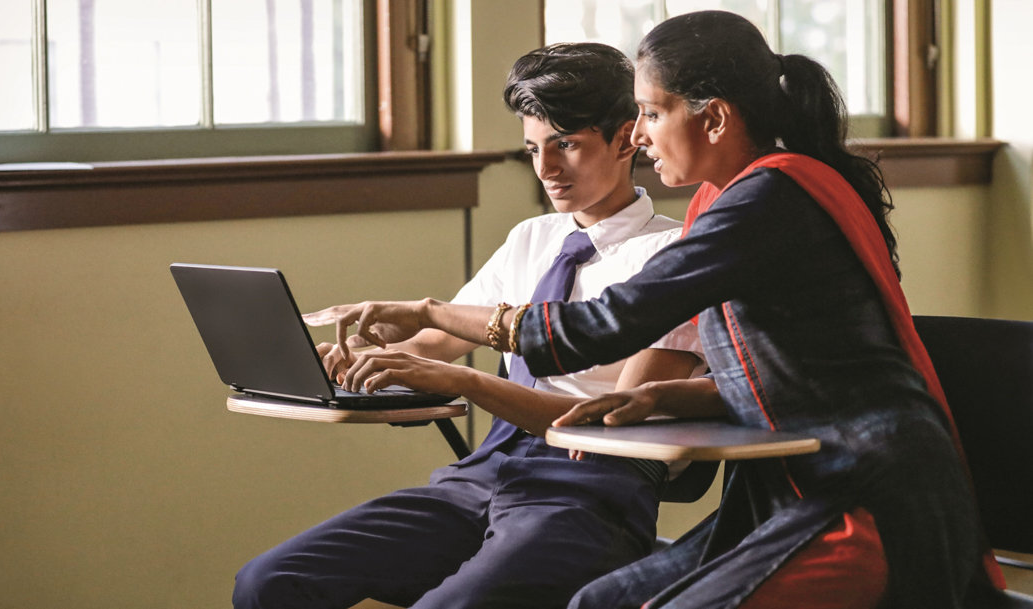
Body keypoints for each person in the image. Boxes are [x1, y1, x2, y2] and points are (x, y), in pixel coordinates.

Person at [310, 11, 1010, 609]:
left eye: (648, 112)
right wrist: (663, 395)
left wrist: (428, 310)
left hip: (866, 497)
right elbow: (798, 367)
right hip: (794, 488)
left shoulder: (766, 201)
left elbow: (595, 328)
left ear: (713, 117)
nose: (637, 136)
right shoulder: (728, 201)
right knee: (598, 599)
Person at [232, 42, 710, 609]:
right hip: (483, 477)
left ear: (627, 136)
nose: (547, 169)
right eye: (533, 148)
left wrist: (465, 382)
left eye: (567, 145)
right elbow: (434, 345)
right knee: (268, 582)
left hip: (588, 494)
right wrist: (363, 359)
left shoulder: (673, 253)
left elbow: (613, 429)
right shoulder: (532, 239)